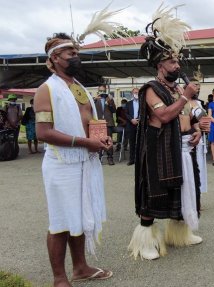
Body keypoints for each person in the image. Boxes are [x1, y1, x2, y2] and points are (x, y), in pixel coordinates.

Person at [34, 32, 113, 286]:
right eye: (71, 54)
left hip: (85, 161)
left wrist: (101, 137)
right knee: (61, 221)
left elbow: (90, 122)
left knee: (79, 216)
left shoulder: (80, 88)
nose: (76, 58)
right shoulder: (46, 89)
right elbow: (43, 133)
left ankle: (80, 268)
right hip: (62, 164)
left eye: (77, 53)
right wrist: (85, 142)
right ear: (55, 58)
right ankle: (59, 278)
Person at [128, 7, 202, 261]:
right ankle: (146, 242)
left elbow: (186, 115)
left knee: (182, 191)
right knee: (154, 193)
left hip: (181, 146)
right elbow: (164, 116)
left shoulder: (178, 89)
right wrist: (186, 96)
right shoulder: (151, 89)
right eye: (172, 62)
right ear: (160, 66)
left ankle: (180, 233)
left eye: (178, 61)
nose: (177, 65)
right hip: (158, 149)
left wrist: (196, 130)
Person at [94, 84, 116, 165]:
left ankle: (110, 158)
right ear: (98, 90)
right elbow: (90, 108)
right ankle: (98, 158)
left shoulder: (109, 99)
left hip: (108, 123)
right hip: (98, 123)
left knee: (108, 140)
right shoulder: (96, 99)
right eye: (100, 91)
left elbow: (114, 110)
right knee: (98, 139)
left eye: (103, 91)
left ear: (106, 91)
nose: (102, 92)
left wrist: (109, 102)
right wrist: (94, 99)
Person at [125, 87, 140, 165]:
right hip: (131, 125)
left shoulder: (142, 103)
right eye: (135, 93)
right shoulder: (128, 103)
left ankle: (139, 159)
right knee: (132, 143)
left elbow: (144, 113)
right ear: (132, 94)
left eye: (137, 92)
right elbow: (126, 114)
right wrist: (131, 120)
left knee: (140, 142)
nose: (136, 94)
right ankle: (132, 159)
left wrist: (138, 120)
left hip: (139, 125)